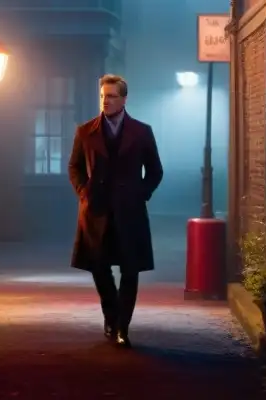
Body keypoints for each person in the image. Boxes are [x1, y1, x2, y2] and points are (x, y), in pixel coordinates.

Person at [68, 74, 163, 348]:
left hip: (129, 211)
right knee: (99, 266)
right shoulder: (85, 131)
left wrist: (140, 194)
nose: (105, 101)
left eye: (110, 96)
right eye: (102, 96)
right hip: (96, 210)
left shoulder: (141, 132)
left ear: (123, 99)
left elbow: (155, 170)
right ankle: (111, 316)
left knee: (130, 270)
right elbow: (74, 166)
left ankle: (123, 327)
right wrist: (83, 192)